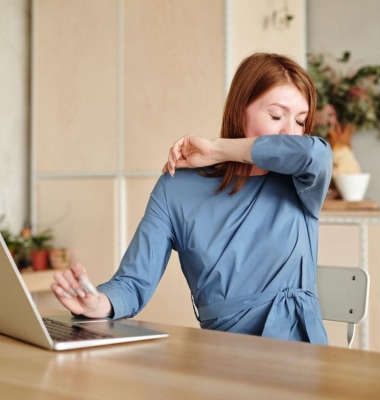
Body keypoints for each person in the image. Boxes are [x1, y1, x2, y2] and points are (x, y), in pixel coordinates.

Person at [51, 53, 332, 344]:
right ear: (240, 110)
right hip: (221, 357)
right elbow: (134, 282)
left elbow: (314, 153)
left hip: (298, 354)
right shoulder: (176, 188)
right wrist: (99, 305)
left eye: (301, 122)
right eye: (276, 116)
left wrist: (218, 149)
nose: (290, 133)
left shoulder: (302, 183)